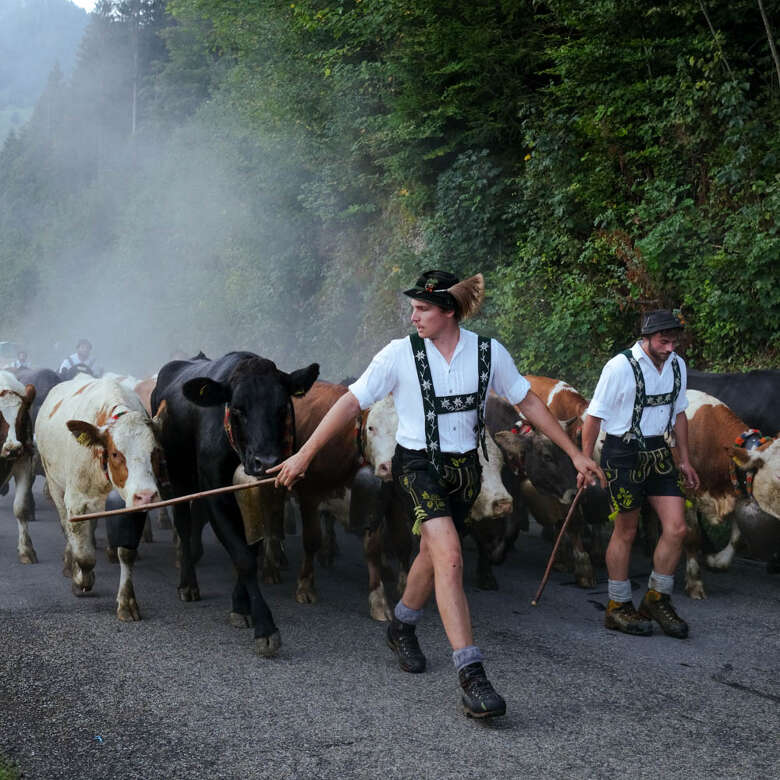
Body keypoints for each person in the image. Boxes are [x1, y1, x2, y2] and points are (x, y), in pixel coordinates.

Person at [271, 269, 604, 719]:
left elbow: (528, 403)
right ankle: (472, 675)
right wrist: (305, 455)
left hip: (467, 469)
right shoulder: (397, 356)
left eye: (422, 308)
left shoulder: (489, 353)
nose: (413, 317)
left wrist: (575, 454)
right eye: (413, 308)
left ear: (449, 311)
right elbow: (349, 402)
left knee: (432, 552)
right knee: (449, 556)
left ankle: (402, 626)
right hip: (419, 466)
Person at [581, 310, 700, 639]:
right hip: (622, 453)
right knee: (626, 530)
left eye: (674, 341)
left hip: (659, 453)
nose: (669, 347)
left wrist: (685, 460)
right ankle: (617, 606)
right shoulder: (620, 366)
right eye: (664, 341)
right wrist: (583, 458)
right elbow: (593, 417)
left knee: (677, 528)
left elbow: (679, 414)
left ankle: (656, 598)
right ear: (646, 338)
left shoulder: (676, 365)